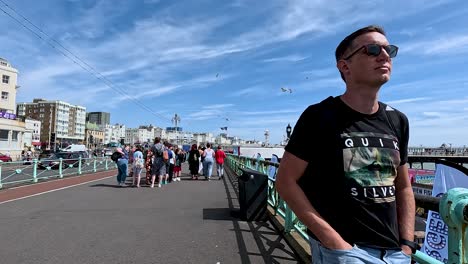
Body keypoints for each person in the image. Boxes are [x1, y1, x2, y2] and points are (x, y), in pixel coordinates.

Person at [275, 25, 416, 264]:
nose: (384, 55)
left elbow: (402, 186)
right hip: (344, 253)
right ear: (345, 66)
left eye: (388, 50)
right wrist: (334, 242)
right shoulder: (319, 116)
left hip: (395, 254)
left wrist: (407, 245)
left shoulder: (398, 120)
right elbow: (285, 181)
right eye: (372, 49)